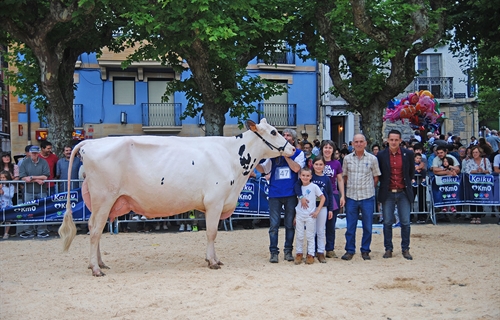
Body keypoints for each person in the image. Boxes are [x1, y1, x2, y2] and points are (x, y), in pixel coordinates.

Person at [257, 128, 304, 263]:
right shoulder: (273, 155)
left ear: (293, 139)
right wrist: (256, 161)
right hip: (275, 194)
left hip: (290, 194)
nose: (285, 136)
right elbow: (264, 169)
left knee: (289, 224)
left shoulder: (299, 154)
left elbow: (296, 168)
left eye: (288, 135)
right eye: (283, 135)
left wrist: (285, 155)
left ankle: (288, 251)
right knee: (274, 225)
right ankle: (273, 252)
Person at [341, 133, 381, 261]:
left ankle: (365, 250)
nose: (358, 144)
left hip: (367, 197)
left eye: (361, 141)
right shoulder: (347, 159)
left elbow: (376, 177)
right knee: (350, 226)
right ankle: (350, 250)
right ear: (352, 143)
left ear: (365, 143)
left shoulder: (372, 159)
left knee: (368, 226)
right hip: (351, 196)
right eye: (356, 142)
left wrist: (369, 188)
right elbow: (344, 176)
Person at [377, 130, 415, 260]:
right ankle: (388, 248)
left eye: (396, 140)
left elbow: (411, 172)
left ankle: (405, 248)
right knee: (387, 222)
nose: (393, 142)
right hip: (387, 192)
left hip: (403, 191)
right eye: (391, 139)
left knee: (405, 222)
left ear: (400, 141)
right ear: (387, 140)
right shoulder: (381, 155)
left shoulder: (408, 154)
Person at [295, 156, 335, 263]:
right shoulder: (308, 176)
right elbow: (297, 187)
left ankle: (320, 252)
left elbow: (329, 194)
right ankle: (309, 252)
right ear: (313, 165)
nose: (318, 166)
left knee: (320, 230)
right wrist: (301, 197)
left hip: (322, 207)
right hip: (308, 207)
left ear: (324, 166)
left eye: (320, 164)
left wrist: (330, 208)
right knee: (310, 231)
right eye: (316, 164)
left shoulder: (326, 178)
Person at [293, 167, 325, 265]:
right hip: (299, 214)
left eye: (307, 176)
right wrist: (295, 216)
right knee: (299, 235)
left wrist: (317, 210)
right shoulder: (298, 187)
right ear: (300, 176)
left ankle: (311, 254)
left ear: (311, 176)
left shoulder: (314, 187)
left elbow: (323, 198)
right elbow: (296, 202)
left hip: (310, 215)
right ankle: (299, 253)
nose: (305, 177)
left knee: (310, 235)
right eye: (303, 175)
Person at [319, 140, 345, 258]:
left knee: (331, 224)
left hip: (332, 195)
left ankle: (330, 249)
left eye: (330, 148)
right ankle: (316, 249)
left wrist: (342, 195)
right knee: (317, 224)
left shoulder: (337, 164)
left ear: (333, 150)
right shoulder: (316, 162)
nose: (327, 150)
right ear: (322, 149)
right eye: (325, 147)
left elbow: (340, 180)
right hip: (318, 196)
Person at [18, 145, 50, 238]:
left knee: (42, 210)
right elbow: (23, 177)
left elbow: (45, 176)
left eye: (36, 153)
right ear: (30, 153)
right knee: (28, 210)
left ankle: (42, 230)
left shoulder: (44, 162)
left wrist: (32, 177)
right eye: (33, 153)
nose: (34, 154)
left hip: (41, 191)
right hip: (28, 191)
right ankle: (29, 230)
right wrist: (37, 180)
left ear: (38, 153)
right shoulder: (24, 163)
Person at [462, 146, 492, 224]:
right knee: (472, 199)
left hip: (482, 183)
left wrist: (483, 171)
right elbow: (467, 171)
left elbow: (490, 171)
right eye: (473, 152)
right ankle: (473, 216)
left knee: (480, 199)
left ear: (480, 153)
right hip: (472, 183)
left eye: (476, 152)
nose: (475, 154)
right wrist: (476, 171)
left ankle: (478, 216)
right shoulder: (469, 161)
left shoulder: (485, 160)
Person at [1, 171, 15, 239]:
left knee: (8, 219)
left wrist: (3, 193)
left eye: (4, 177)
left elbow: (11, 195)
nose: (2, 179)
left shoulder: (11, 186)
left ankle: (6, 233)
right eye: (1, 177)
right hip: (0, 203)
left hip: (7, 203)